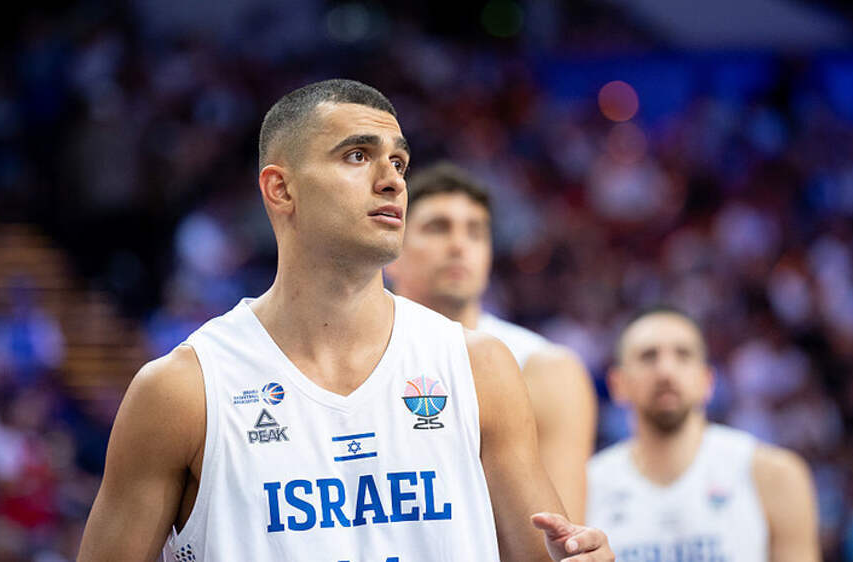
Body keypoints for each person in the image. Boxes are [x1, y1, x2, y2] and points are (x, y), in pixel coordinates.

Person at [77, 79, 613, 561]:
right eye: (358, 156)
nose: (392, 181)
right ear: (280, 188)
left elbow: (546, 555)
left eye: (399, 163)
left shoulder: (479, 367)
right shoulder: (183, 390)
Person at [386, 162, 596, 522]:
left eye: (476, 232)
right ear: (392, 252)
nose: (458, 245)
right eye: (437, 228)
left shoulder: (544, 368)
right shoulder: (350, 359)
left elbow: (561, 535)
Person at [587, 307, 820, 561]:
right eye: (648, 356)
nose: (666, 370)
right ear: (618, 384)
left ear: (707, 380)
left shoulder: (772, 476)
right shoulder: (589, 487)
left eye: (683, 354)